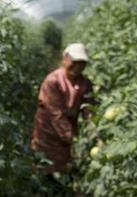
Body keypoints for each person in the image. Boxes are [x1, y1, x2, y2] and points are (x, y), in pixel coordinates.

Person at [31, 43, 94, 173]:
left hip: (68, 132)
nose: (77, 66)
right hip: (48, 132)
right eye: (74, 61)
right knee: (45, 168)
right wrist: (74, 140)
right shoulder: (52, 81)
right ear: (64, 59)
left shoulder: (86, 83)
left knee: (64, 169)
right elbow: (55, 114)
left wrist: (93, 133)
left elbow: (88, 109)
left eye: (82, 63)